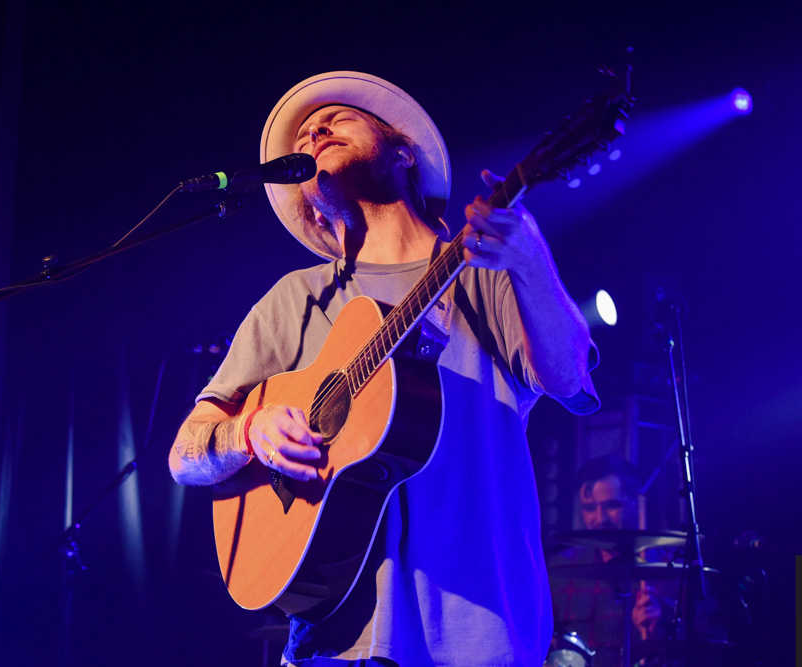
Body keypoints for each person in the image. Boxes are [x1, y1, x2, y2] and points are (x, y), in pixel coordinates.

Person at [168, 71, 599, 666]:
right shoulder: (296, 299)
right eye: (305, 136)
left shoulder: (482, 270)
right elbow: (185, 455)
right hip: (335, 643)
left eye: (337, 119)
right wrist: (249, 432)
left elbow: (570, 375)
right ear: (309, 206)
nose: (315, 131)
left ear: (402, 151)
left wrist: (531, 262)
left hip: (479, 633)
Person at [549, 456, 671, 658]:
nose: (600, 519)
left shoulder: (672, 568)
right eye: (589, 508)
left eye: (612, 506)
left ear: (636, 504)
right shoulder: (561, 569)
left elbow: (709, 646)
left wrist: (660, 633)